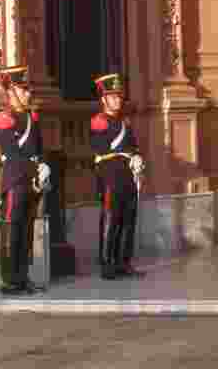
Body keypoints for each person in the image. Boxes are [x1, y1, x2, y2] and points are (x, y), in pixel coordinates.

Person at [0, 65, 51, 295]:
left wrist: (43, 164)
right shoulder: (4, 119)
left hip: (31, 181)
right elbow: (13, 153)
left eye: (28, 90)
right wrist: (36, 165)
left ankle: (23, 276)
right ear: (11, 91)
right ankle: (10, 280)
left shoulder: (31, 117)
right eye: (23, 89)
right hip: (15, 180)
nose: (29, 94)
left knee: (27, 230)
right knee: (12, 229)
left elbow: (39, 147)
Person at [90, 73, 146, 280]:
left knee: (128, 219)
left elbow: (132, 146)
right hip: (110, 175)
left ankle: (124, 262)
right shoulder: (99, 121)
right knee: (111, 219)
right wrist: (124, 155)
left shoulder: (125, 122)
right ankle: (107, 264)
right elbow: (100, 149)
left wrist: (137, 158)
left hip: (127, 175)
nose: (117, 100)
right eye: (112, 96)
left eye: (119, 96)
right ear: (103, 99)